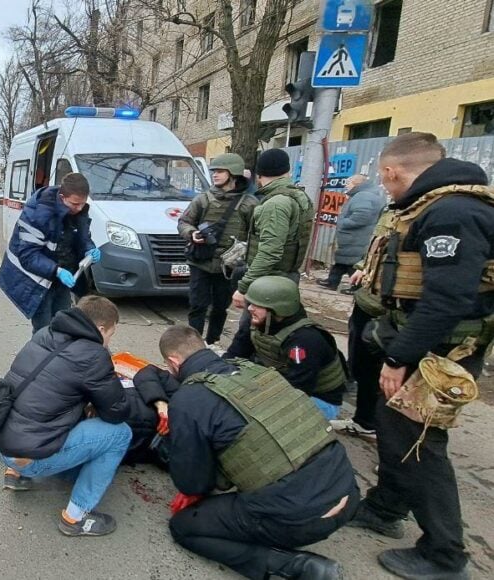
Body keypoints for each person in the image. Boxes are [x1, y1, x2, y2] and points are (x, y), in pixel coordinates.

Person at [346, 132, 494, 580]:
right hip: (421, 345)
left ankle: (444, 555)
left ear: (392, 171)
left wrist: (399, 358)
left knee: (418, 443)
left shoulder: (453, 212)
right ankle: (385, 508)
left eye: (386, 181)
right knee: (394, 431)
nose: (386, 190)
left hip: (437, 354)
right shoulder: (438, 205)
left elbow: (447, 301)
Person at [160, 325, 359, 580]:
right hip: (347, 491)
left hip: (301, 518)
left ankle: (292, 566)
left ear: (173, 363)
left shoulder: (187, 399)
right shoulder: (256, 370)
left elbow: (193, 483)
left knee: (184, 526)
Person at [0, 296, 133, 536]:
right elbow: (117, 412)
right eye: (110, 334)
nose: (109, 341)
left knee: (43, 400)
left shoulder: (45, 333)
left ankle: (14, 474)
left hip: (1, 442)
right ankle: (75, 518)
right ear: (100, 329)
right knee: (120, 434)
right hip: (29, 456)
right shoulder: (93, 355)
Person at [227, 149, 315, 357]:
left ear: (259, 174)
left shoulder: (275, 203)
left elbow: (270, 251)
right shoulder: (299, 196)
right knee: (277, 331)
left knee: (251, 334)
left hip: (268, 283)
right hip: (285, 277)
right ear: (287, 171)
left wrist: (244, 286)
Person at [225, 276, 348, 420]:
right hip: (281, 383)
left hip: (318, 399)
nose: (250, 308)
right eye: (250, 303)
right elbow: (233, 356)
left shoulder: (305, 339)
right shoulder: (257, 322)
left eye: (257, 305)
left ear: (278, 309)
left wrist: (252, 396)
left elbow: (298, 388)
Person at [0, 173, 101, 333]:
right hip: (37, 279)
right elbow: (28, 255)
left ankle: (58, 356)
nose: (79, 208)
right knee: (44, 331)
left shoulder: (77, 210)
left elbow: (82, 237)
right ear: (62, 197)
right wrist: (56, 271)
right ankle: (41, 357)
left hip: (63, 277)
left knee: (63, 325)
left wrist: (89, 249)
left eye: (82, 203)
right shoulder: (38, 214)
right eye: (75, 204)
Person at [178, 153, 257, 346]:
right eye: (214, 171)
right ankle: (194, 345)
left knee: (221, 307)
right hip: (201, 261)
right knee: (197, 306)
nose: (215, 175)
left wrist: (246, 255)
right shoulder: (203, 199)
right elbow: (184, 222)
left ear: (234, 174)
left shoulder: (249, 204)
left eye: (220, 171)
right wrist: (192, 233)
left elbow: (255, 235)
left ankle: (213, 342)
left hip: (228, 265)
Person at [330, 207, 394, 438]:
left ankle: (398, 452)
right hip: (368, 301)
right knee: (362, 367)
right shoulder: (394, 211)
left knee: (393, 378)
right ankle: (365, 421)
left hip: (395, 312)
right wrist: (362, 267)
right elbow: (378, 249)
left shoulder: (435, 213)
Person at [318, 175, 386, 292]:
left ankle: (356, 287)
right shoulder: (368, 194)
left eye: (348, 183)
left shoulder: (363, 195)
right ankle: (332, 281)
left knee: (352, 263)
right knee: (342, 261)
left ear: (356, 184)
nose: (346, 186)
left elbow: (362, 216)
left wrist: (343, 223)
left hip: (356, 237)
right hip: (355, 237)